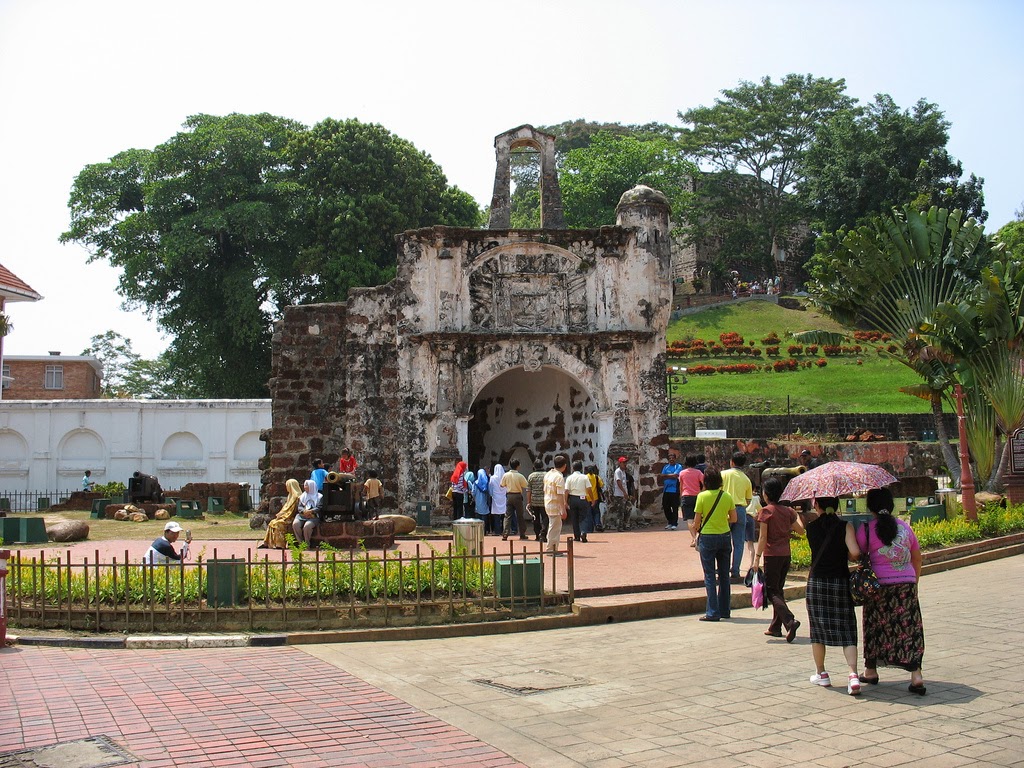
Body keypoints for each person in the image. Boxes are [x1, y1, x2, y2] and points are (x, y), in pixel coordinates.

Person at [858, 487, 927, 695]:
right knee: (909, 629)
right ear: (891, 505)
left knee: (875, 627)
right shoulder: (905, 528)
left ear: (870, 507)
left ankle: (871, 670)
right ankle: (916, 676)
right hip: (905, 584)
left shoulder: (866, 530)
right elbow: (917, 557)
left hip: (878, 587)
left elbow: (856, 554)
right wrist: (914, 581)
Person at [803, 496, 862, 695]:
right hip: (840, 582)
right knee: (847, 629)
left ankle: (822, 674)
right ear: (837, 505)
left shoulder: (810, 528)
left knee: (818, 630)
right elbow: (854, 552)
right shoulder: (845, 526)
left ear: (816, 505)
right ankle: (853, 674)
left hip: (817, 583)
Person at [752, 477, 804, 641]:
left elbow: (762, 537)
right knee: (778, 590)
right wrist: (798, 515)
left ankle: (789, 621)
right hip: (785, 554)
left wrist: (756, 559)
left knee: (772, 591)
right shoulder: (788, 511)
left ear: (766, 494)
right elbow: (801, 531)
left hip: (772, 555)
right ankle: (775, 627)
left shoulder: (766, 511)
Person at [691, 468, 736, 622]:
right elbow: (734, 518)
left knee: (710, 575)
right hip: (724, 536)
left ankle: (712, 612)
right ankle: (725, 609)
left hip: (708, 537)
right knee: (724, 575)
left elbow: (697, 521)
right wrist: (722, 522)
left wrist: (695, 529)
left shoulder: (702, 496)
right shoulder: (727, 496)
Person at [721, 452, 754, 579]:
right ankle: (735, 570)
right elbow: (749, 500)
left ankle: (723, 568)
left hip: (724, 509)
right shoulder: (746, 479)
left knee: (724, 540)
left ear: (732, 462)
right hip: (740, 509)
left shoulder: (723, 474)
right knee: (739, 543)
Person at [260, 478, 302, 549]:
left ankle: (280, 544)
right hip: (285, 516)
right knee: (272, 522)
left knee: (279, 523)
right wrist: (280, 514)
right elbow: (285, 509)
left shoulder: (297, 497)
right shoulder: (290, 496)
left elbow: (292, 511)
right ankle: (268, 543)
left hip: (292, 517)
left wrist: (283, 516)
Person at [543, 454, 569, 556]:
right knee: (555, 528)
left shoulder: (548, 474)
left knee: (552, 526)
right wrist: (563, 509)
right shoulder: (559, 477)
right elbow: (559, 494)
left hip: (548, 503)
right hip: (555, 505)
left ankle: (551, 548)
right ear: (564, 466)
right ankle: (551, 549)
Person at [500, 459, 531, 541]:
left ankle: (505, 534)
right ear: (518, 466)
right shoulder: (520, 476)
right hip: (517, 495)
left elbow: (502, 485)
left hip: (509, 495)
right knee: (520, 515)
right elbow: (526, 485)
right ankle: (522, 534)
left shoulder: (506, 475)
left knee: (508, 516)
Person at [678, 455, 704, 547]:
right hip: (697, 496)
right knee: (699, 517)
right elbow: (704, 483)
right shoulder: (698, 472)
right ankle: (697, 536)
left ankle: (693, 538)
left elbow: (681, 486)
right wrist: (702, 492)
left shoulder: (682, 473)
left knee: (689, 519)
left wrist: (681, 496)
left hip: (686, 496)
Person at [564, 461, 592, 543]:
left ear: (572, 468)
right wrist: (592, 499)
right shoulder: (585, 477)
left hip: (573, 498)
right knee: (583, 517)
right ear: (581, 468)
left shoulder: (569, 478)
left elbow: (566, 491)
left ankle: (576, 536)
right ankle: (583, 532)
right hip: (583, 498)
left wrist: (565, 502)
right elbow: (589, 489)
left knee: (574, 518)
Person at [292, 479, 323, 546]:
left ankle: (307, 543)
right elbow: (300, 507)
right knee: (295, 524)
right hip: (302, 515)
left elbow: (319, 507)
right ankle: (301, 543)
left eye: (306, 485)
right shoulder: (303, 496)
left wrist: (311, 511)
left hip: (313, 516)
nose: (305, 487)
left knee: (307, 526)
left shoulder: (319, 497)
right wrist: (304, 511)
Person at [526, 460, 548, 542]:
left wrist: (529, 502)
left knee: (535, 518)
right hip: (544, 500)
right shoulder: (547, 475)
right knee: (545, 517)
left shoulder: (531, 476)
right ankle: (543, 533)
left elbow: (528, 490)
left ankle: (537, 534)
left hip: (534, 500)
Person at [661, 453, 683, 530]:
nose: (671, 459)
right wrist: (671, 475)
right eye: (670, 458)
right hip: (666, 490)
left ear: (675, 459)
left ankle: (674, 523)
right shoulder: (666, 467)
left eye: (672, 458)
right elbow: (662, 476)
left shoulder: (678, 466)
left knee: (674, 507)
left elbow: (675, 475)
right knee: (665, 506)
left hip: (674, 490)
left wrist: (666, 475)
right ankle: (670, 522)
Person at [609, 457, 630, 531]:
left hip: (624, 494)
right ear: (620, 463)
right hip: (619, 494)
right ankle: (619, 527)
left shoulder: (623, 471)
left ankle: (624, 525)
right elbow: (619, 482)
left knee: (627, 509)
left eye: (625, 463)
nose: (625, 464)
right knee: (620, 511)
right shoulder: (618, 471)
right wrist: (624, 492)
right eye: (623, 463)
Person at [584, 464, 604, 534]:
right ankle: (598, 523)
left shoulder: (585, 477)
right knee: (596, 512)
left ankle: (590, 528)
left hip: (587, 498)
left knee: (588, 513)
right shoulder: (596, 477)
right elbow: (601, 485)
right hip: (595, 498)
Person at [488, 464, 507, 536]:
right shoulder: (505, 477)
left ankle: (497, 531)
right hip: (503, 497)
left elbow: (490, 488)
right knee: (503, 515)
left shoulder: (492, 478)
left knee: (496, 515)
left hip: (495, 498)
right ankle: (503, 530)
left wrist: (491, 495)